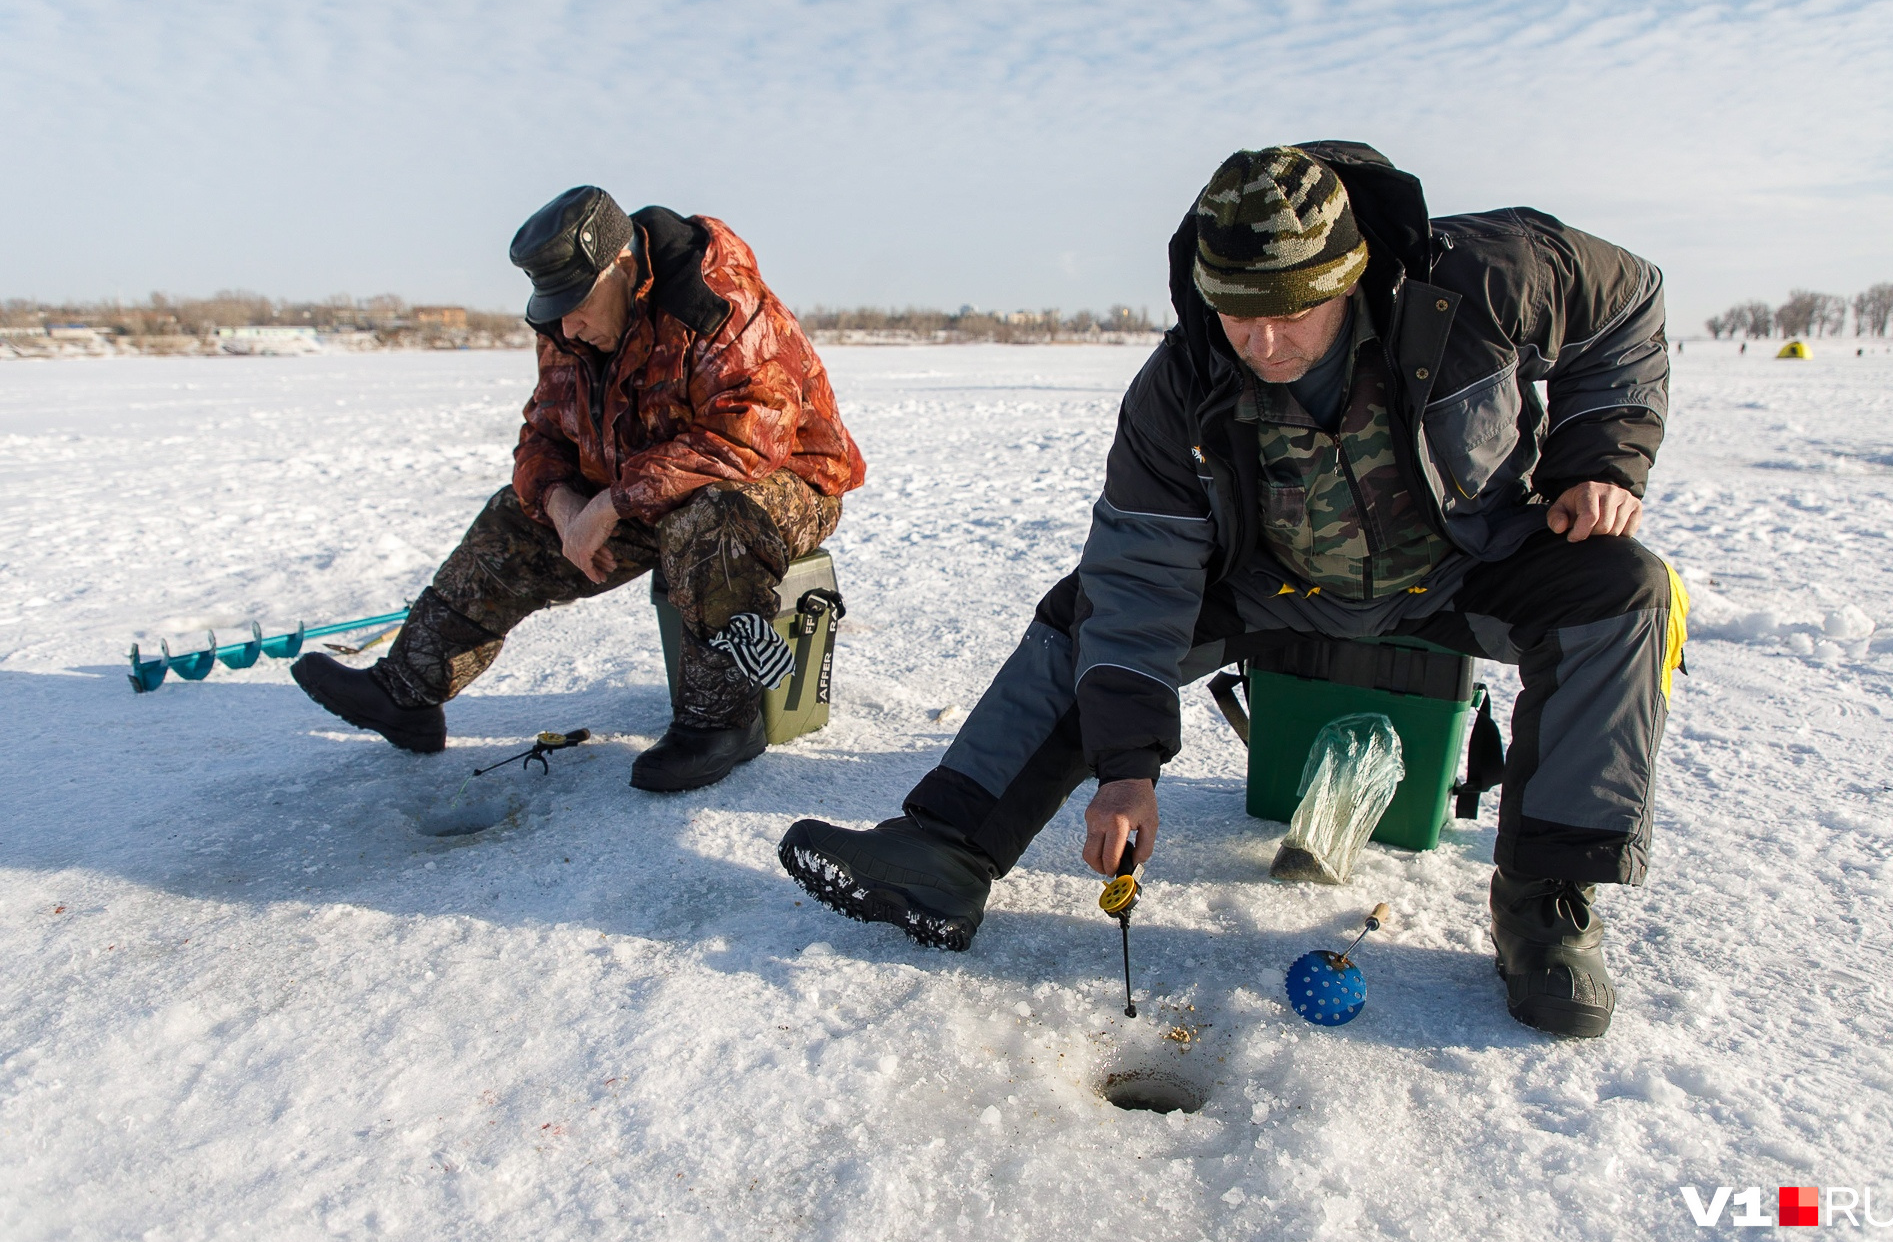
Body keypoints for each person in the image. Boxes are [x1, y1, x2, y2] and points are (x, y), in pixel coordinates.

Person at [779, 143, 1682, 1039]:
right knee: (1088, 606)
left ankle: (1543, 903)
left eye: (1293, 311)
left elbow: (1631, 301)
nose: (1265, 342)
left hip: (1463, 568)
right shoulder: (1181, 384)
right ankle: (947, 848)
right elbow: (1140, 579)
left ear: (1351, 271)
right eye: (1238, 315)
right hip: (1277, 589)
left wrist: (1601, 456)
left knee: (1622, 590)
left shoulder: (1488, 278)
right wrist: (1128, 768)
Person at [294, 187, 865, 791]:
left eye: (576, 303)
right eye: (552, 305)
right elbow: (541, 435)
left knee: (708, 518)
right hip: (643, 486)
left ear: (620, 265)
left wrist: (611, 503)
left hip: (782, 482)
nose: (566, 323)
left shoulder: (716, 299)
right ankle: (406, 691)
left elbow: (749, 437)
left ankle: (721, 722)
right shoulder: (567, 329)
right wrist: (564, 507)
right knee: (515, 517)